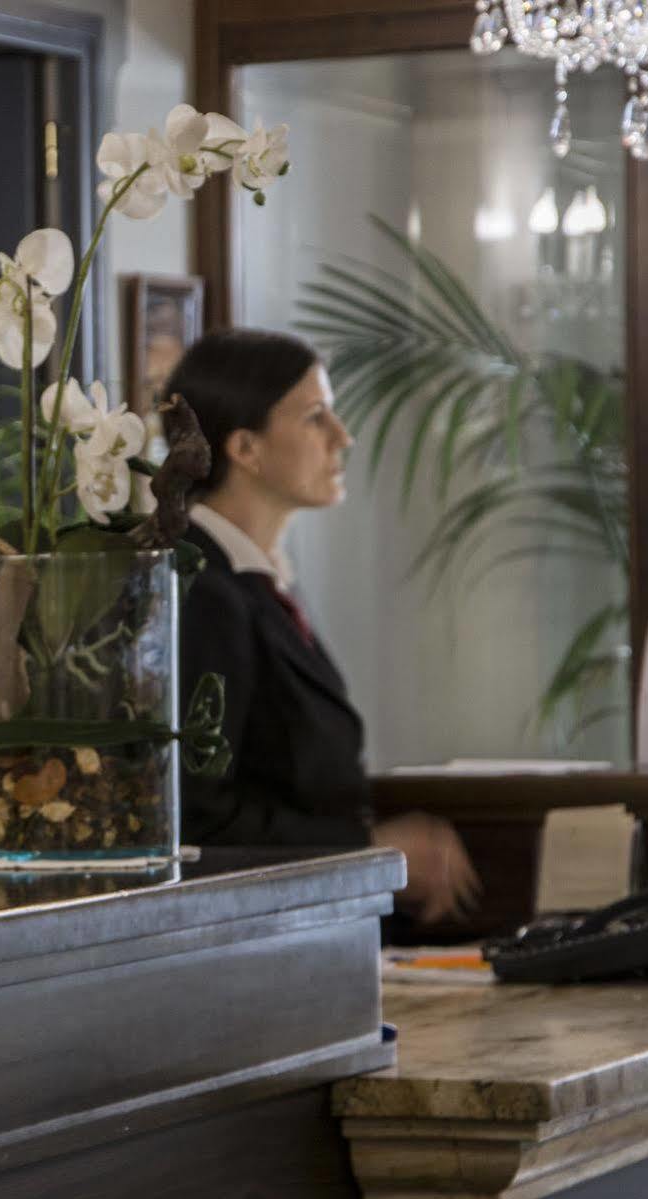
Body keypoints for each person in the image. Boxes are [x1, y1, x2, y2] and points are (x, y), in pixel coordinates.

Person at [167, 328, 480, 925]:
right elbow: (201, 819)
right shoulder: (202, 591)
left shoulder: (259, 582)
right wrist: (366, 852)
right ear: (245, 448)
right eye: (315, 417)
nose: (343, 437)